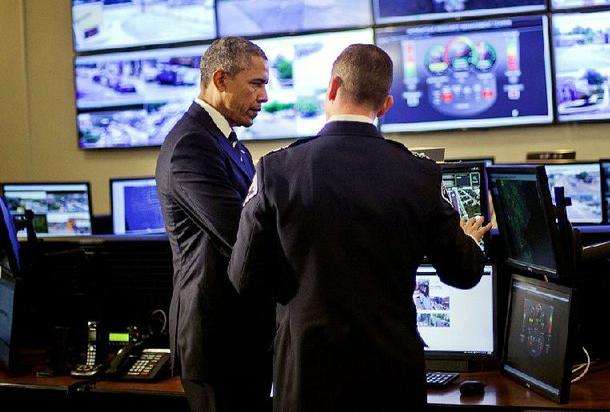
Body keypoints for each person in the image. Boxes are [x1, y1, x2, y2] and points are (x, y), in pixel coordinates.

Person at [228, 43, 491, 412]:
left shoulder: (276, 171)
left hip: (307, 376)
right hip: (391, 378)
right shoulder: (420, 175)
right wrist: (469, 241)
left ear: (332, 89)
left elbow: (243, 279)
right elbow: (464, 274)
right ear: (385, 106)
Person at [156, 36, 274, 412]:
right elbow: (240, 234)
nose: (265, 96)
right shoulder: (192, 145)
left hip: (240, 335)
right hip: (216, 340)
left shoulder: (228, 142)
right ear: (220, 79)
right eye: (256, 84)